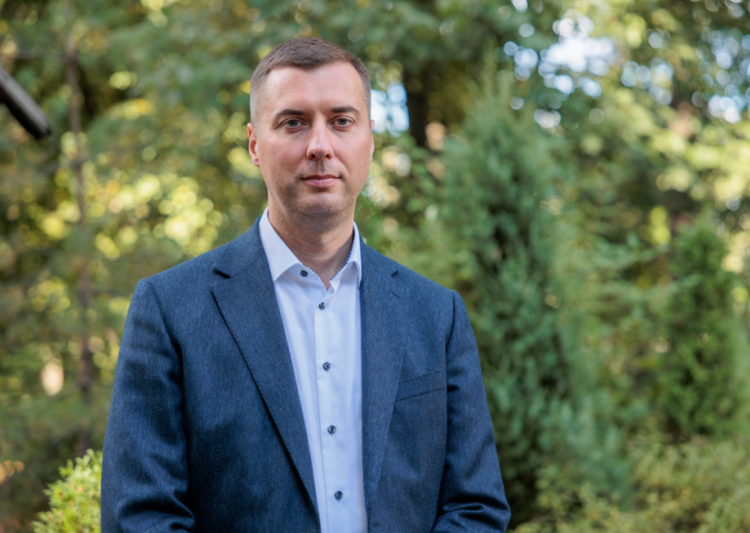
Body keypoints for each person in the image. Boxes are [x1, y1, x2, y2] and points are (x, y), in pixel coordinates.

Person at [101, 37, 509, 533]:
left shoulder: (437, 315)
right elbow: (140, 516)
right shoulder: (169, 310)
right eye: (293, 122)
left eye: (342, 121)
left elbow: (475, 507)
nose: (320, 145)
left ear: (370, 140)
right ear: (255, 144)